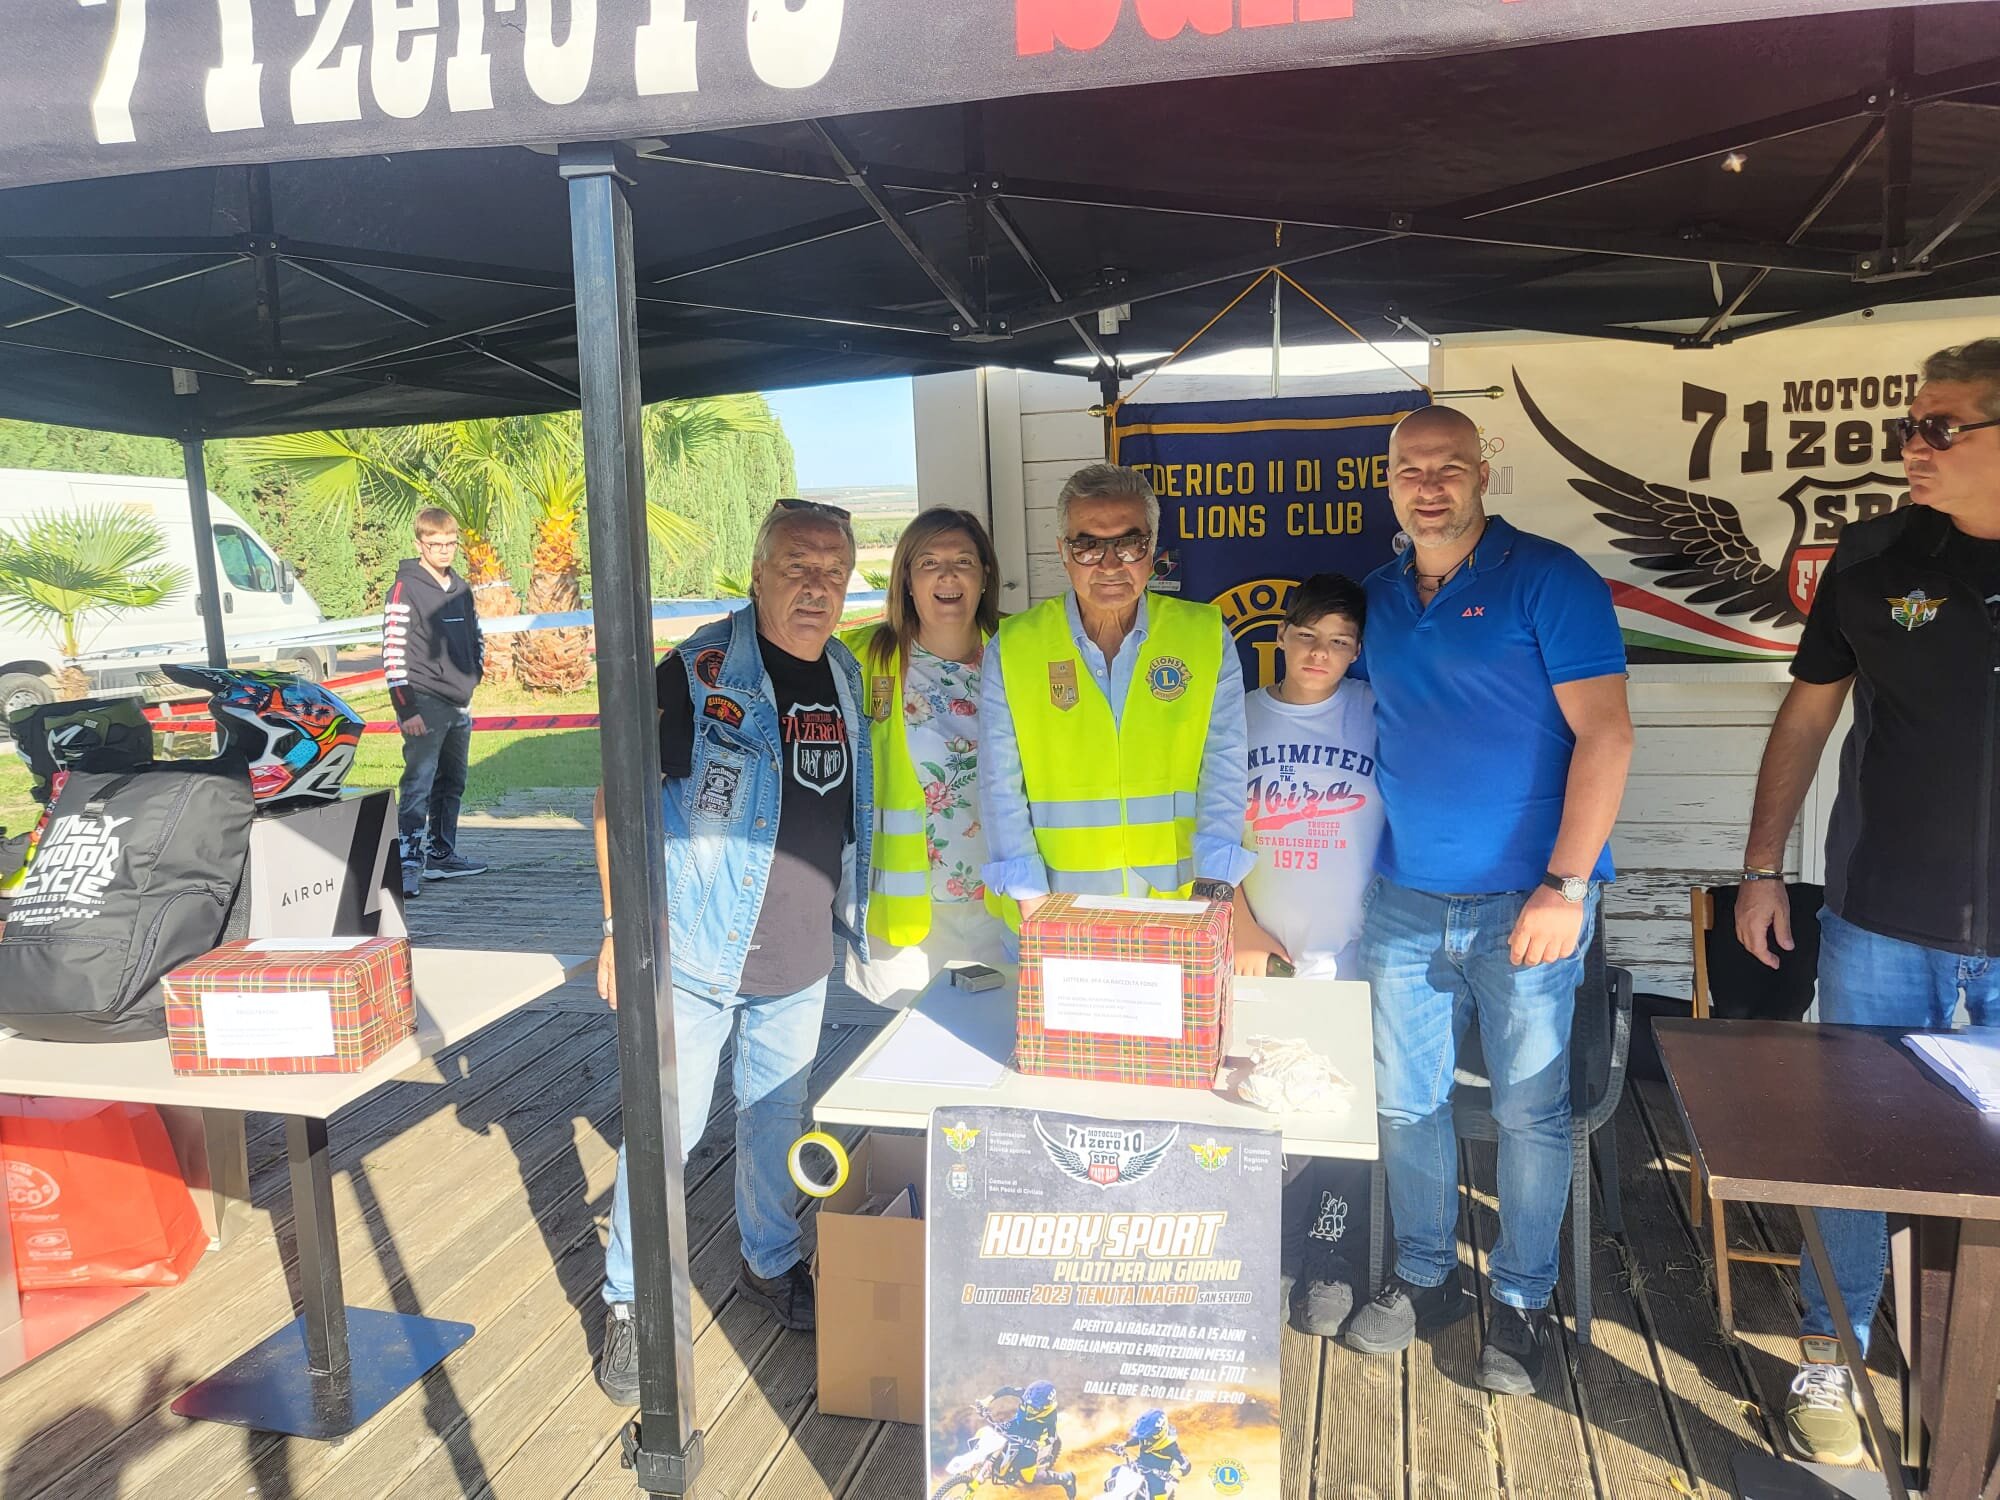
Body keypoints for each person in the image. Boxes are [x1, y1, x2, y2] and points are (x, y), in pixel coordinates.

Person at [1733, 338, 2000, 1468]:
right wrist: (1759, 865)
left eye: (1939, 427)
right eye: (1907, 425)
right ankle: (1827, 1357)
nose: (1911, 446)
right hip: (1878, 919)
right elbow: (1805, 716)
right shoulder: (1875, 556)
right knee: (1844, 1147)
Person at [1342, 405, 1632, 1397]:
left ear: (1481, 472)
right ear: (1386, 480)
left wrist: (1563, 886)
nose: (1428, 484)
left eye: (1447, 467)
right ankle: (1425, 1273)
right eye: (1408, 469)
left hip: (1528, 905)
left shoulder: (1549, 579)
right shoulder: (1375, 597)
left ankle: (1517, 1296)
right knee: (1404, 1103)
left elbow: (1607, 737)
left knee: (1528, 1113)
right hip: (1401, 902)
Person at [591, 498, 872, 1404]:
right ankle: (631, 1300)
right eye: (795, 566)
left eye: (832, 571)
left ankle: (769, 1259)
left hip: (800, 957)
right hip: (696, 955)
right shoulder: (697, 672)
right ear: (755, 572)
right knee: (663, 1135)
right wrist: (617, 929)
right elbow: (615, 800)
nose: (814, 587)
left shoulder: (845, 673)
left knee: (774, 1123)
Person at [978, 464, 1252, 919]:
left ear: (1151, 549)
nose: (1109, 564)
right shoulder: (1013, 645)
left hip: (1177, 908)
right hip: (1053, 909)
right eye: (1087, 545)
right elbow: (999, 785)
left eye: (1129, 543)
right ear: (1062, 552)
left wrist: (1215, 888)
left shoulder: (1204, 635)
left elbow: (1224, 766)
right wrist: (1032, 901)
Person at [1232, 572, 1384, 1341]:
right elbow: (1207, 833)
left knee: (1343, 1115)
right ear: (1281, 637)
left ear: (1357, 651)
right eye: (1307, 636)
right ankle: (1267, 1250)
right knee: (1262, 1106)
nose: (1320, 652)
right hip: (1265, 950)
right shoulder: (1238, 717)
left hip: (1355, 949)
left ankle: (1332, 1256)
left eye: (1340, 641)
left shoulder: (1373, 710)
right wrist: (1237, 924)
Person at [843, 509, 1014, 1007]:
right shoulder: (858, 658)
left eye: (963, 560)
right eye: (929, 562)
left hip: (1001, 898)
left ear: (984, 576)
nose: (947, 575)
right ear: (907, 581)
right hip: (905, 910)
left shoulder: (1020, 652)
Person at [384, 506, 488, 899]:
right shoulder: (404, 588)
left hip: (460, 702)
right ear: (419, 544)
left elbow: (475, 634)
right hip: (423, 701)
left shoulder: (460, 588)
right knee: (418, 784)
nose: (444, 551)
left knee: (453, 780)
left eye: (450, 543)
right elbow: (392, 651)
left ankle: (442, 853)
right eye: (435, 544)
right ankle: (407, 862)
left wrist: (473, 674)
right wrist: (406, 708)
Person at [976, 1380, 1076, 1499]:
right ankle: (976, 1463)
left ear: (1045, 1407)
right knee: (985, 1432)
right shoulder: (1027, 1396)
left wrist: (1038, 1443)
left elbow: (1052, 1437)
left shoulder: (1050, 1415)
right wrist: (986, 1401)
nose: (1028, 1410)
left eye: (1033, 1409)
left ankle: (1066, 1479)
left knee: (1031, 1477)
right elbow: (1007, 1389)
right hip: (1016, 1426)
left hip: (1033, 1441)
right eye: (1026, 1405)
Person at [1114, 1409, 1192, 1498]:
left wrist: (1174, 1474)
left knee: (1157, 1493)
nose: (1144, 1441)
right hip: (1139, 1467)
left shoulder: (1170, 1446)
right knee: (1116, 1472)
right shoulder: (1147, 1437)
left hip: (1157, 1477)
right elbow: (1139, 1439)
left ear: (1159, 1434)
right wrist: (1124, 1444)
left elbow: (1186, 1464)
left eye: (1147, 1438)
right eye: (1143, 1437)